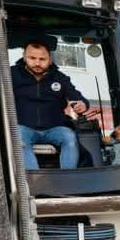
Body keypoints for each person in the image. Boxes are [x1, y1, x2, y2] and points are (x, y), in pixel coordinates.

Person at [12, 38, 89, 170]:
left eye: (42, 59)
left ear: (50, 60)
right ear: (24, 57)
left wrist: (82, 105)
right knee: (18, 136)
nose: (37, 63)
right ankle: (34, 182)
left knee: (69, 136)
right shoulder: (11, 74)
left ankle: (68, 179)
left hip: (54, 128)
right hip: (24, 127)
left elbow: (77, 97)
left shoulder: (60, 78)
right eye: (32, 58)